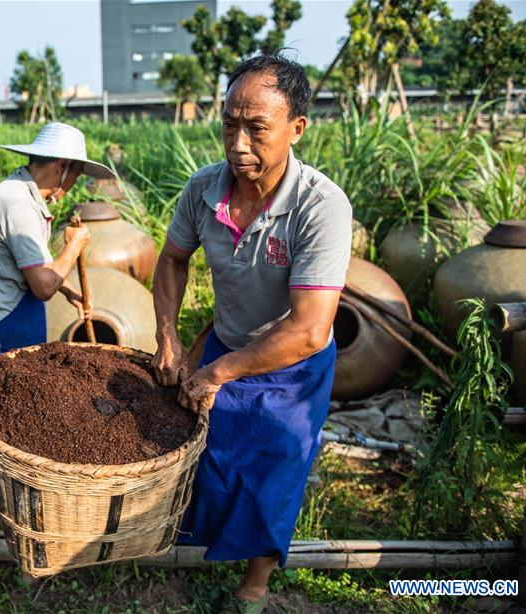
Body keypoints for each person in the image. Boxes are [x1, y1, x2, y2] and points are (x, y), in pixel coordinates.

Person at [152, 55, 352, 613]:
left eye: (257, 128)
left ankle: (256, 582)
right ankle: (202, 544)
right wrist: (168, 337)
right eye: (229, 125)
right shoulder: (203, 190)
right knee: (212, 457)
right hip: (227, 342)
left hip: (292, 365)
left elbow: (310, 329)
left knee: (274, 471)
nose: (239, 144)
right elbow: (171, 260)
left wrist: (216, 372)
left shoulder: (320, 206)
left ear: (296, 128)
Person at [0, 122, 115, 363]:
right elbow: (44, 287)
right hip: (0, 334)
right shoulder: (19, 205)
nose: (72, 185)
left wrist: (68, 289)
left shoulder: (21, 194)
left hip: (15, 324)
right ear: (61, 167)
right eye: (75, 176)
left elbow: (33, 265)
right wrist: (74, 246)